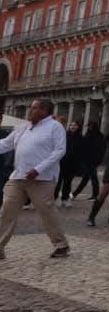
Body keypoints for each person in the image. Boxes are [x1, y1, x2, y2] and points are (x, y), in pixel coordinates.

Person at [0, 99, 71, 259]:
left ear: (45, 111)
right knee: (6, 210)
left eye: (34, 108)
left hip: (42, 178)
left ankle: (61, 244)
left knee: (46, 211)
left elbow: (59, 151)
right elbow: (5, 144)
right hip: (18, 176)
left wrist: (38, 169)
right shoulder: (23, 127)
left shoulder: (55, 127)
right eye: (31, 108)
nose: (30, 111)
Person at [71, 119, 105, 201]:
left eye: (91, 126)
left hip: (92, 161)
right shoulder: (90, 134)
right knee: (88, 178)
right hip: (88, 161)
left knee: (91, 178)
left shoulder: (98, 136)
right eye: (89, 126)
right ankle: (77, 194)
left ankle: (76, 194)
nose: (89, 128)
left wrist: (98, 160)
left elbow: (101, 149)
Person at [55, 119, 83, 207]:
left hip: (73, 164)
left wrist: (80, 165)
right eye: (71, 125)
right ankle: (54, 198)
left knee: (68, 182)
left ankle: (65, 199)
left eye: (75, 125)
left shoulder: (81, 138)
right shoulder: (64, 135)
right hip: (62, 162)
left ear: (78, 127)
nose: (73, 127)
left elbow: (82, 152)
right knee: (58, 182)